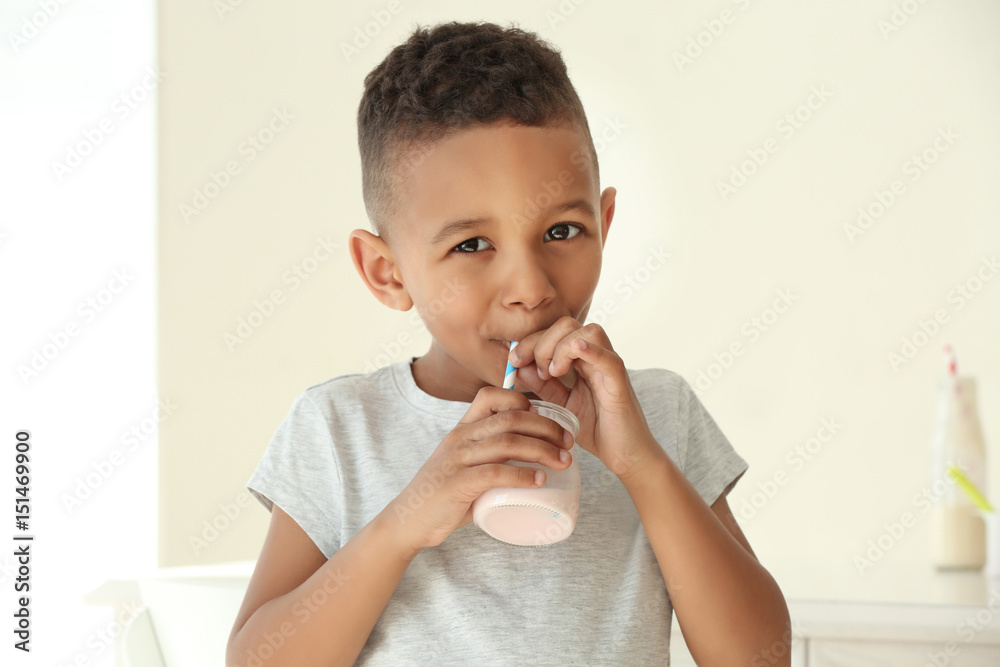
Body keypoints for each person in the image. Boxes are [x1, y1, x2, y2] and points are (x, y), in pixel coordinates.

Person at [226, 20, 790, 666]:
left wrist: (642, 466)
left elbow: (759, 656)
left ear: (604, 226)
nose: (529, 286)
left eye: (562, 230)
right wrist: (407, 517)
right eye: (471, 245)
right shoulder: (339, 431)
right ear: (387, 271)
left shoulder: (657, 414)